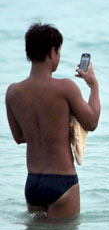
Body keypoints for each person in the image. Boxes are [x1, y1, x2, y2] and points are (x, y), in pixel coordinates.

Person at [6, 23, 101, 219]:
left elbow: (19, 137)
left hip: (33, 183)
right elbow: (91, 122)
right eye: (58, 51)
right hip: (62, 181)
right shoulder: (65, 87)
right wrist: (93, 86)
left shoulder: (13, 92)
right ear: (52, 52)